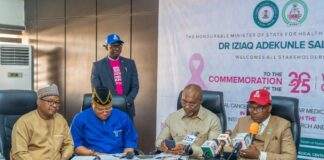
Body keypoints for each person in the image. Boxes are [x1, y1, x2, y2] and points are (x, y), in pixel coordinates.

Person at [155, 84, 222, 157]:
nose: (187, 107)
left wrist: (190, 150)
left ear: (200, 101)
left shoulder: (212, 120)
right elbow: (158, 141)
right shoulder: (172, 118)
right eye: (184, 102)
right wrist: (162, 144)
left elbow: (213, 150)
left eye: (192, 104)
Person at [10, 84, 74, 160]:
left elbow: (69, 144)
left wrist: (64, 157)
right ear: (38, 102)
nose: (54, 105)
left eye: (57, 102)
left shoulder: (60, 120)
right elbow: (19, 153)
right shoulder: (24, 123)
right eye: (50, 101)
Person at [70, 86, 138, 155]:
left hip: (118, 156)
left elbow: (130, 141)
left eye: (108, 109)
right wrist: (95, 154)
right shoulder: (80, 118)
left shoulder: (123, 117)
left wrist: (125, 155)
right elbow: (76, 145)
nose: (105, 113)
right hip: (92, 156)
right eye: (100, 109)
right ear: (93, 105)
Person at [231, 89, 296, 160]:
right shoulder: (242, 122)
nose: (254, 112)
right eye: (251, 108)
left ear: (269, 108)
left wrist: (260, 155)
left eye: (259, 108)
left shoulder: (282, 125)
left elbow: (290, 157)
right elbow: (230, 147)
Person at [91, 33, 139, 119]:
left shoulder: (130, 63)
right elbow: (96, 89)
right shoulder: (98, 66)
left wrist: (127, 101)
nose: (117, 48)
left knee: (127, 132)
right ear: (106, 47)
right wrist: (107, 104)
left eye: (119, 45)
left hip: (127, 109)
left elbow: (135, 86)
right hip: (107, 110)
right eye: (113, 46)